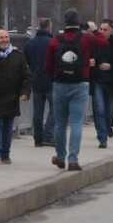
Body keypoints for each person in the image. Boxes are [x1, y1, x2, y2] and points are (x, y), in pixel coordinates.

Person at [45, 10, 95, 170]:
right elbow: (105, 42)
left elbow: (48, 66)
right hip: (80, 84)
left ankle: (60, 156)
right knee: (76, 124)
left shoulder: (55, 40)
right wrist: (92, 30)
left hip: (59, 84)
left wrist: (56, 76)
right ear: (78, 22)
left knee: (60, 124)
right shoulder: (86, 38)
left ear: (64, 22)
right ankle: (73, 160)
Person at [90, 20, 113, 148]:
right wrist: (92, 62)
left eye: (105, 29)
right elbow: (88, 57)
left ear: (112, 30)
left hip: (111, 82)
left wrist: (111, 66)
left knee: (110, 111)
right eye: (101, 29)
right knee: (99, 109)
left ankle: (107, 129)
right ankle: (102, 137)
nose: (102, 31)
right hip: (98, 80)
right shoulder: (95, 44)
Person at [0, 29, 31, 164]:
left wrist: (25, 92)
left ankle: (5, 154)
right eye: (1, 37)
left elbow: (27, 76)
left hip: (12, 97)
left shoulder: (18, 55)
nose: (5, 39)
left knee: (7, 126)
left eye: (6, 37)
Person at [24, 18, 55, 147]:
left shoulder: (30, 44)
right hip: (51, 80)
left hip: (36, 80)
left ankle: (38, 138)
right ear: (48, 27)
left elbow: (27, 62)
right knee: (56, 108)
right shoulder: (53, 43)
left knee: (38, 111)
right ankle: (48, 135)